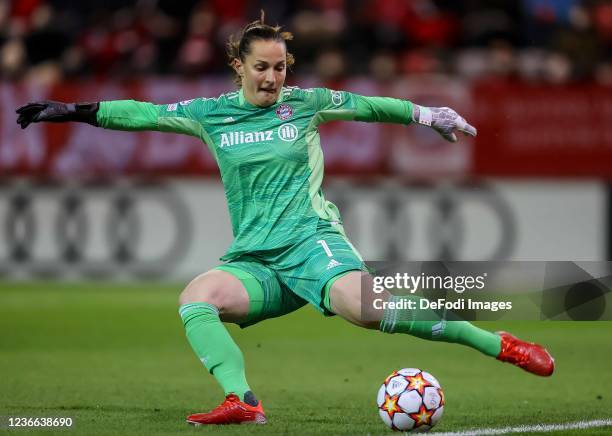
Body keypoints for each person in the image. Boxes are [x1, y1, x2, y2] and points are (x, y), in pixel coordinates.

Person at [16, 14, 554, 427]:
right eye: (263, 67)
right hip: (257, 258)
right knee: (196, 297)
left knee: (367, 312)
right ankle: (243, 402)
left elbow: (368, 106)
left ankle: (497, 343)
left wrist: (426, 114)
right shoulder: (211, 114)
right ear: (240, 68)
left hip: (312, 245)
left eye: (280, 67)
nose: (274, 77)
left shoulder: (303, 105)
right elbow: (145, 115)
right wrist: (72, 110)